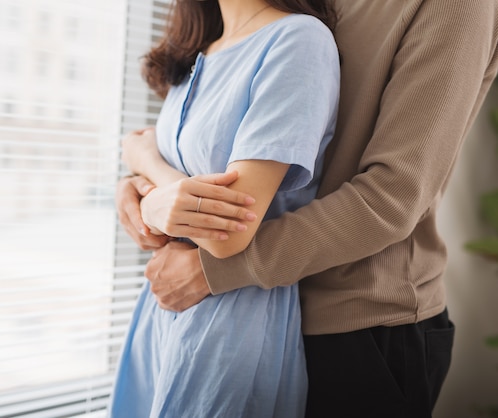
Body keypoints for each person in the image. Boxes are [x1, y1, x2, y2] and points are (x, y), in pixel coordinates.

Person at [116, 0, 498, 417]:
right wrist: (140, 189)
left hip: (359, 324)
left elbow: (391, 197)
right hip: (243, 311)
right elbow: (219, 138)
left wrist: (216, 268)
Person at [108, 0, 340, 417]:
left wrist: (145, 162)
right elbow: (176, 186)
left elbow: (231, 231)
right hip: (160, 306)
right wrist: (135, 191)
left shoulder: (298, 40)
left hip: (233, 320)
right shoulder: (200, 52)